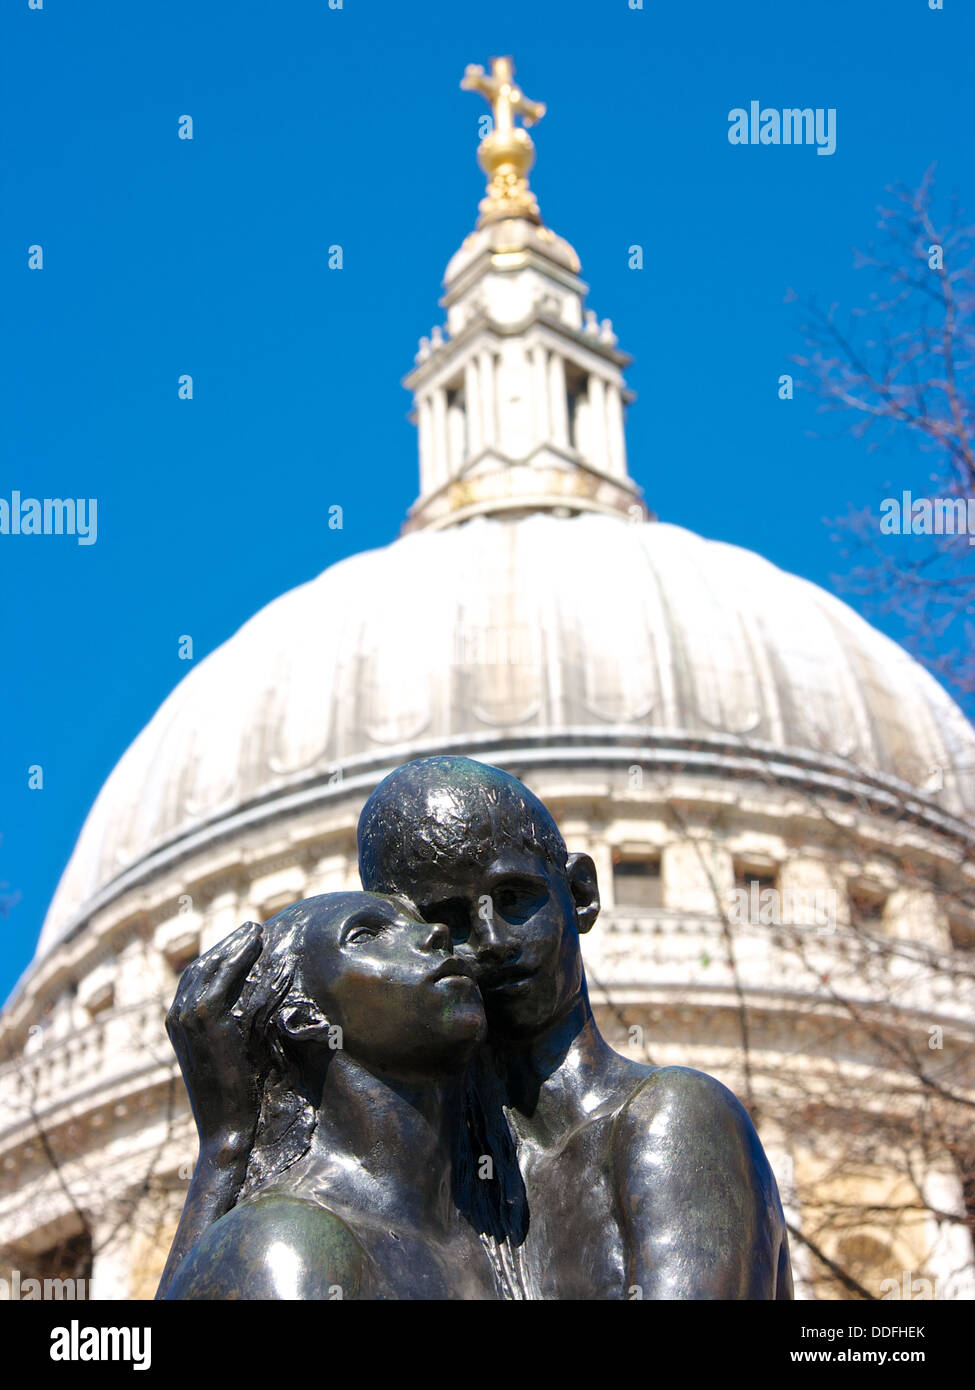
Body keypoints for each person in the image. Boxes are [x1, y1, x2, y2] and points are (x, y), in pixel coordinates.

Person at [356, 757, 794, 1299]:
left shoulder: (673, 1119)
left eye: (514, 898)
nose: (493, 941)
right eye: (450, 921)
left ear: (581, 893)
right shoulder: (419, 1184)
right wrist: (232, 1139)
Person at [158, 891, 521, 1300]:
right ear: (302, 1016)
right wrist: (225, 1148)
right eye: (366, 934)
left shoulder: (500, 1233)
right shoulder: (284, 1244)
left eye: (415, 922)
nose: (436, 932)